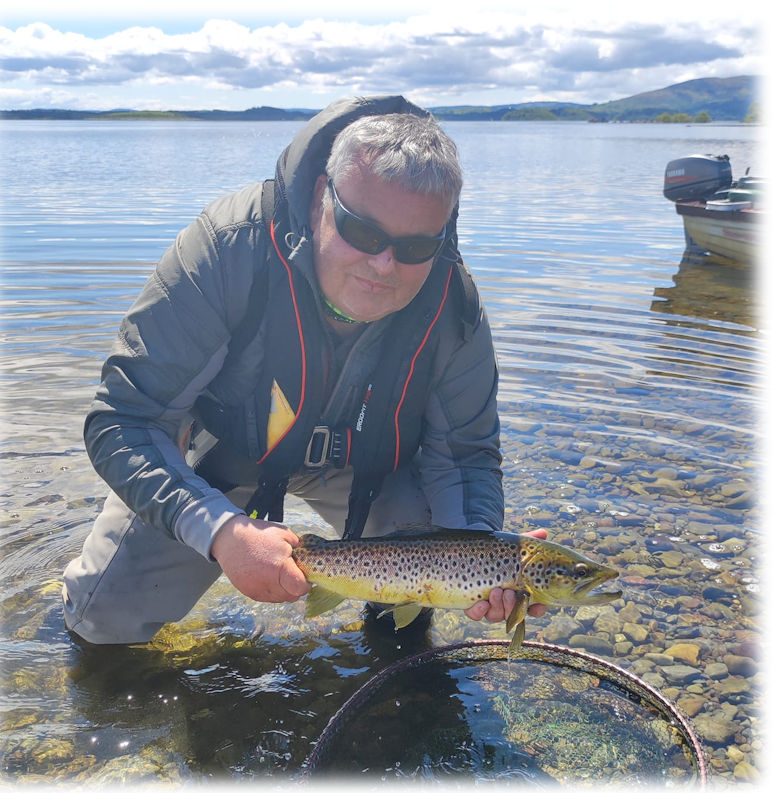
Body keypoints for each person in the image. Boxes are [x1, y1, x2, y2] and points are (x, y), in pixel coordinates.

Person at [62, 95, 547, 645]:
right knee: (104, 621)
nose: (384, 264)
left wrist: (483, 559)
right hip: (223, 450)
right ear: (322, 197)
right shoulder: (226, 250)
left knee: (429, 566)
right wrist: (223, 531)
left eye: (416, 246)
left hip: (367, 466)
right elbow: (123, 420)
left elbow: (464, 455)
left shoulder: (453, 307)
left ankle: (392, 647)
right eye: (363, 232)